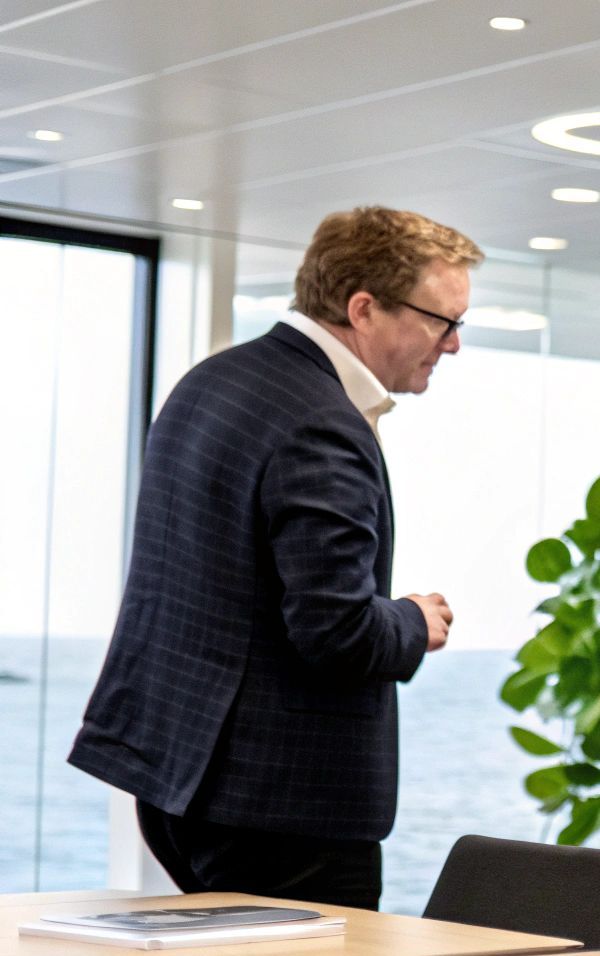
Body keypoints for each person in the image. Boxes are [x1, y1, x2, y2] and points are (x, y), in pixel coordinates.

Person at [68, 207, 481, 910]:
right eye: (443, 321)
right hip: (281, 808)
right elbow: (336, 631)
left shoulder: (213, 381)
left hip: (176, 781)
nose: (453, 345)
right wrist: (414, 620)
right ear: (364, 308)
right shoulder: (322, 421)